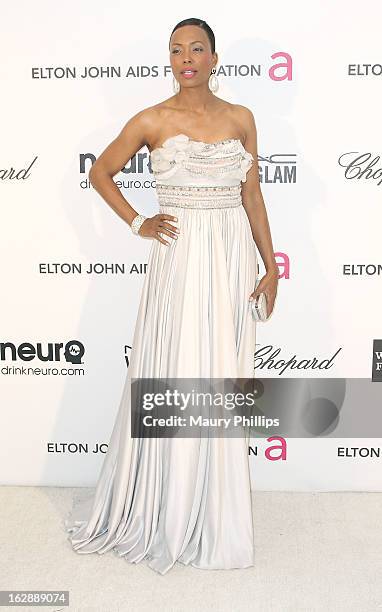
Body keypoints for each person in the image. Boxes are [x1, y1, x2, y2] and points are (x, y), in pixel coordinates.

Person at [64, 17, 278, 575]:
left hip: (230, 258)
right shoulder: (151, 119)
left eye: (197, 48)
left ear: (214, 57)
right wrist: (138, 223)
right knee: (178, 367)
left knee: (223, 376)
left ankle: (214, 509)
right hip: (179, 259)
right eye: (177, 49)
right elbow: (102, 173)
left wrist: (269, 265)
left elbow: (252, 194)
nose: (187, 57)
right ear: (170, 58)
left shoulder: (242, 119)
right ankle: (166, 502)